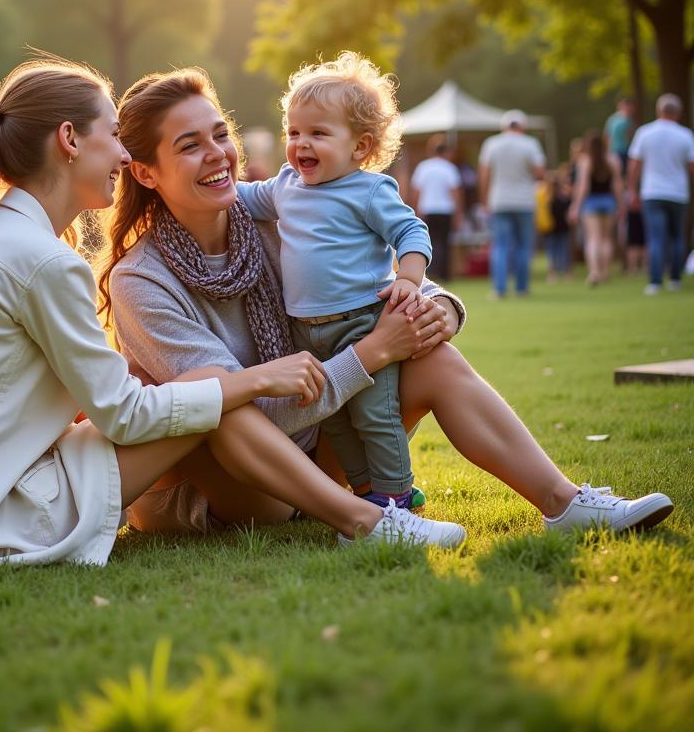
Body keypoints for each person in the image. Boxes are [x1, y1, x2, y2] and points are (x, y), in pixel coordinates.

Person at [0, 57, 468, 572]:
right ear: (71, 140)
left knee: (205, 393)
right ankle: (368, 519)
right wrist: (255, 381)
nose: (122, 155)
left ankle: (393, 502)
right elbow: (127, 415)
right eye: (115, 136)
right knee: (213, 398)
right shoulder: (43, 259)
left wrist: (27, 412)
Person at [101, 66, 673, 539]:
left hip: (319, 440)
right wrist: (372, 352)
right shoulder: (142, 280)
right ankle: (373, 521)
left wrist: (438, 306)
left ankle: (563, 503)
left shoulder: (278, 216)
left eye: (220, 134)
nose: (218, 154)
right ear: (146, 171)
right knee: (224, 409)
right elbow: (247, 412)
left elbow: (367, 274)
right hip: (237, 485)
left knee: (435, 358)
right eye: (190, 145)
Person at [230, 53, 435, 518]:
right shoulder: (285, 185)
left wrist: (408, 276)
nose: (301, 144)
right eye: (294, 132)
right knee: (333, 418)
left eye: (318, 133)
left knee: (374, 415)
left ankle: (397, 497)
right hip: (305, 331)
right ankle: (365, 491)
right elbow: (241, 197)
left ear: (360, 147)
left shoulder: (369, 190)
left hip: (362, 322)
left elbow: (412, 232)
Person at [627, 93, 694, 295]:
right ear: (678, 112)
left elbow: (634, 165)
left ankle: (655, 281)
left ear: (659, 110)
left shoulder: (645, 133)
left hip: (652, 191)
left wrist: (632, 190)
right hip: (677, 193)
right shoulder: (685, 135)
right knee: (677, 237)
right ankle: (674, 279)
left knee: (655, 238)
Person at [478, 110, 546, 298]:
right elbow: (540, 173)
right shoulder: (531, 144)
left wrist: (484, 200)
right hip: (524, 201)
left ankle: (499, 289)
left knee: (500, 246)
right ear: (522, 126)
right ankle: (521, 288)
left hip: (499, 200)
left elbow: (484, 174)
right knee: (524, 246)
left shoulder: (492, 144)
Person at [568, 131, 624, 286]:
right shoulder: (612, 160)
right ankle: (605, 271)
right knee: (606, 238)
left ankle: (594, 272)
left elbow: (583, 186)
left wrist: (576, 206)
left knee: (593, 238)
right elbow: (617, 185)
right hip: (608, 201)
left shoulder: (585, 161)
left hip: (591, 203)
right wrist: (621, 204)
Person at [410, 134, 464, 281]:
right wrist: (458, 213)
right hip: (445, 210)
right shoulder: (449, 168)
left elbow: (416, 191)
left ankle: (430, 272)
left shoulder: (423, 167)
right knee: (444, 242)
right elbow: (455, 192)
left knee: (429, 242)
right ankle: (444, 274)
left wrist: (415, 210)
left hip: (427, 209)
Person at [543, 166, 573, 282]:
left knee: (553, 251)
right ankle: (565, 272)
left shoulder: (547, 199)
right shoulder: (563, 198)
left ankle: (553, 273)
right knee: (562, 249)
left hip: (551, 230)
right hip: (560, 229)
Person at [605, 96, 636, 175]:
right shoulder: (625, 119)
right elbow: (607, 136)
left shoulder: (613, 119)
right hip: (619, 151)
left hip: (621, 150)